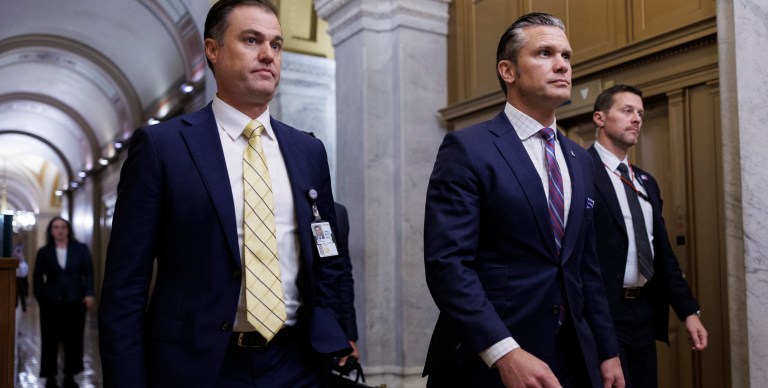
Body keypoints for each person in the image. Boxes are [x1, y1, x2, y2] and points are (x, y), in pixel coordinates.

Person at [98, 0, 351, 386]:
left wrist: (336, 330)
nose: (268, 54)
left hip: (296, 364)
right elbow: (125, 286)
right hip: (199, 367)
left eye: (277, 44)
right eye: (252, 40)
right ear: (213, 50)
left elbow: (329, 254)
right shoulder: (162, 147)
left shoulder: (308, 151)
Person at [422, 12, 624, 387]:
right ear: (508, 71)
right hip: (491, 360)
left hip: (573, 356)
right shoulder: (468, 148)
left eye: (566, 55)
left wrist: (607, 351)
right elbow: (448, 265)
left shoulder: (580, 159)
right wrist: (503, 351)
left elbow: (585, 269)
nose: (562, 64)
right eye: (545, 53)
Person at [587, 84, 708, 387]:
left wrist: (688, 311)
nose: (637, 119)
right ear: (599, 118)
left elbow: (662, 253)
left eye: (640, 113)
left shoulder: (645, 182)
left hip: (642, 311)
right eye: (627, 111)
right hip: (601, 313)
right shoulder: (581, 171)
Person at [33, 216, 95, 388]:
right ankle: (50, 375)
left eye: (62, 227)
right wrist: (41, 299)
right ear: (51, 231)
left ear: (68, 230)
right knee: (50, 339)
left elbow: (89, 272)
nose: (59, 230)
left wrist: (90, 293)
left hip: (76, 301)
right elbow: (37, 278)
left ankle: (70, 374)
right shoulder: (44, 252)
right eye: (55, 227)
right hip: (51, 303)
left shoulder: (80, 249)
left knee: (74, 339)